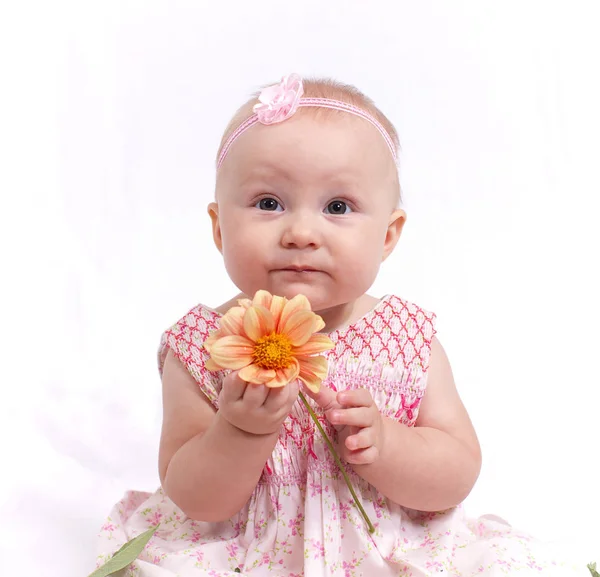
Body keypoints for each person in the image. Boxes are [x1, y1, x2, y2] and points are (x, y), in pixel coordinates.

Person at [96, 73, 587, 576]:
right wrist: (239, 431)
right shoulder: (205, 347)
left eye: (338, 207)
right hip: (249, 552)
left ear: (388, 235)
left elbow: (457, 471)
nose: (302, 232)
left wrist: (390, 447)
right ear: (220, 228)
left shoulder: (406, 338)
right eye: (269, 203)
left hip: (385, 544)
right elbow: (194, 497)